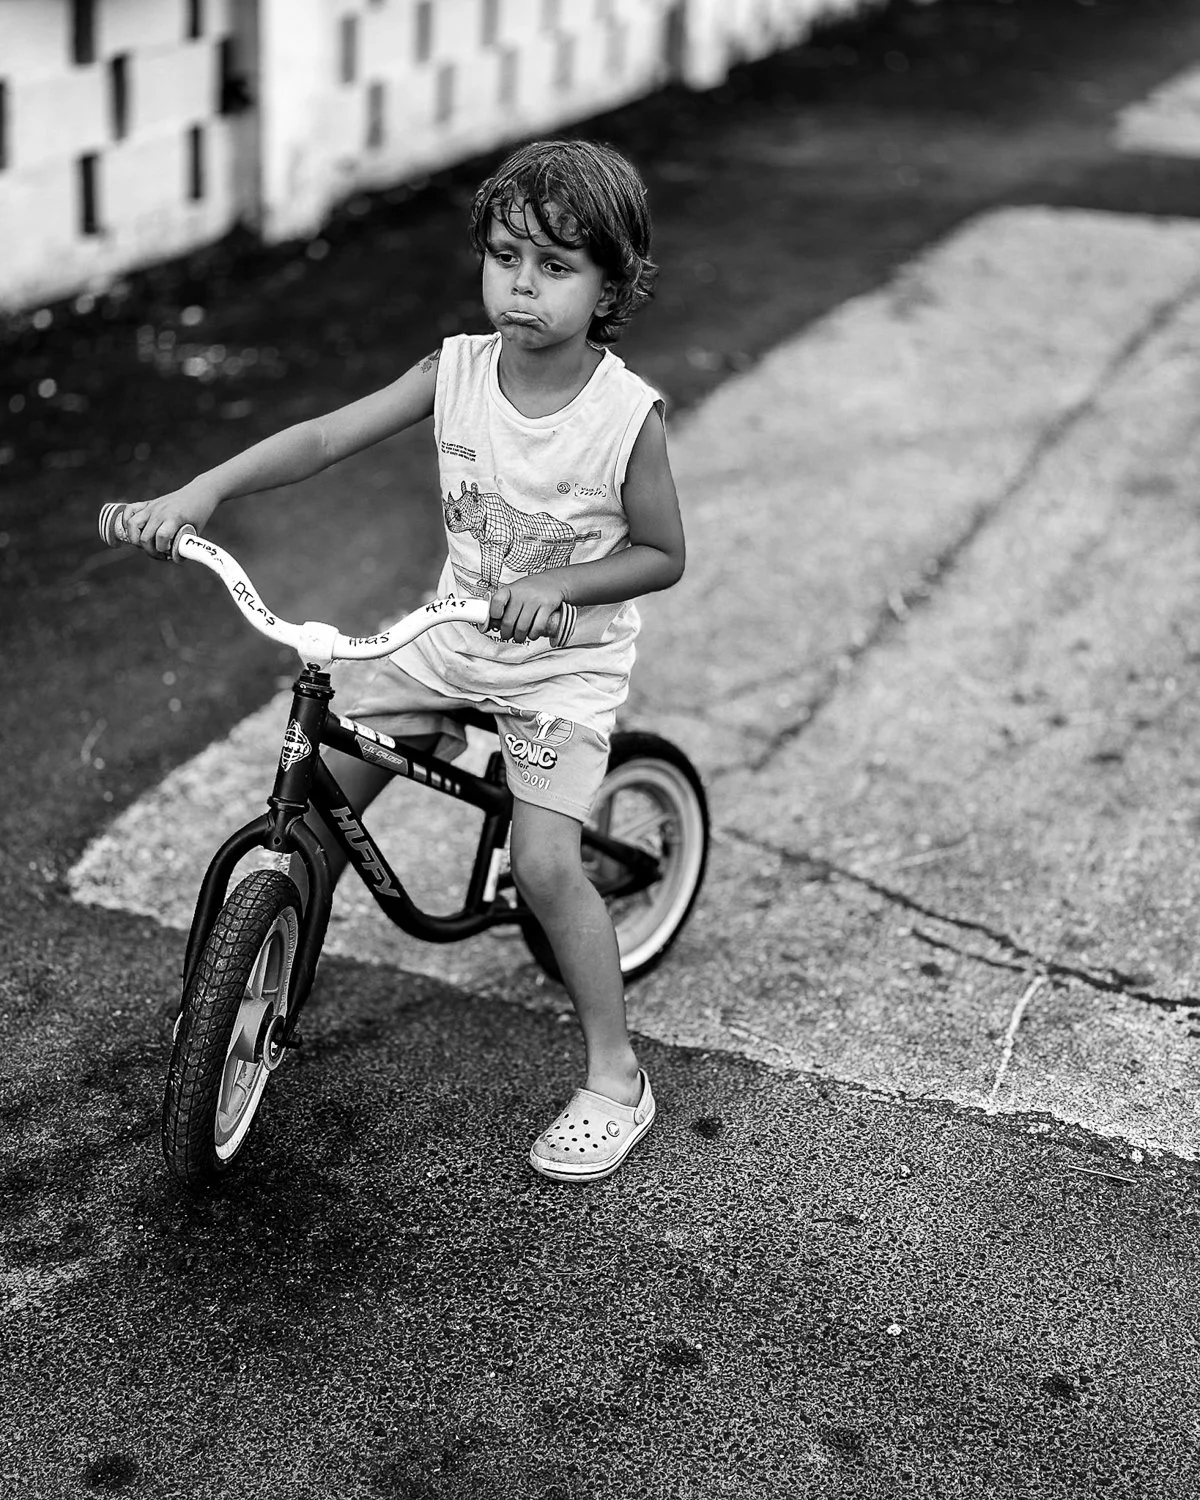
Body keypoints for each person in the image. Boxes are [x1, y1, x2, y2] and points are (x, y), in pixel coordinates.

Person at [119, 138, 685, 1183]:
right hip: (445, 644)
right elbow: (326, 439)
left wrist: (554, 589)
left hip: (560, 668)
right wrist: (202, 491)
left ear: (611, 285)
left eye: (556, 268)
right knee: (319, 813)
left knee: (549, 864)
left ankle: (617, 1078)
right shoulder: (457, 370)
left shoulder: (623, 418)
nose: (523, 285)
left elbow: (663, 555)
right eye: (506, 255)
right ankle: (249, 994)